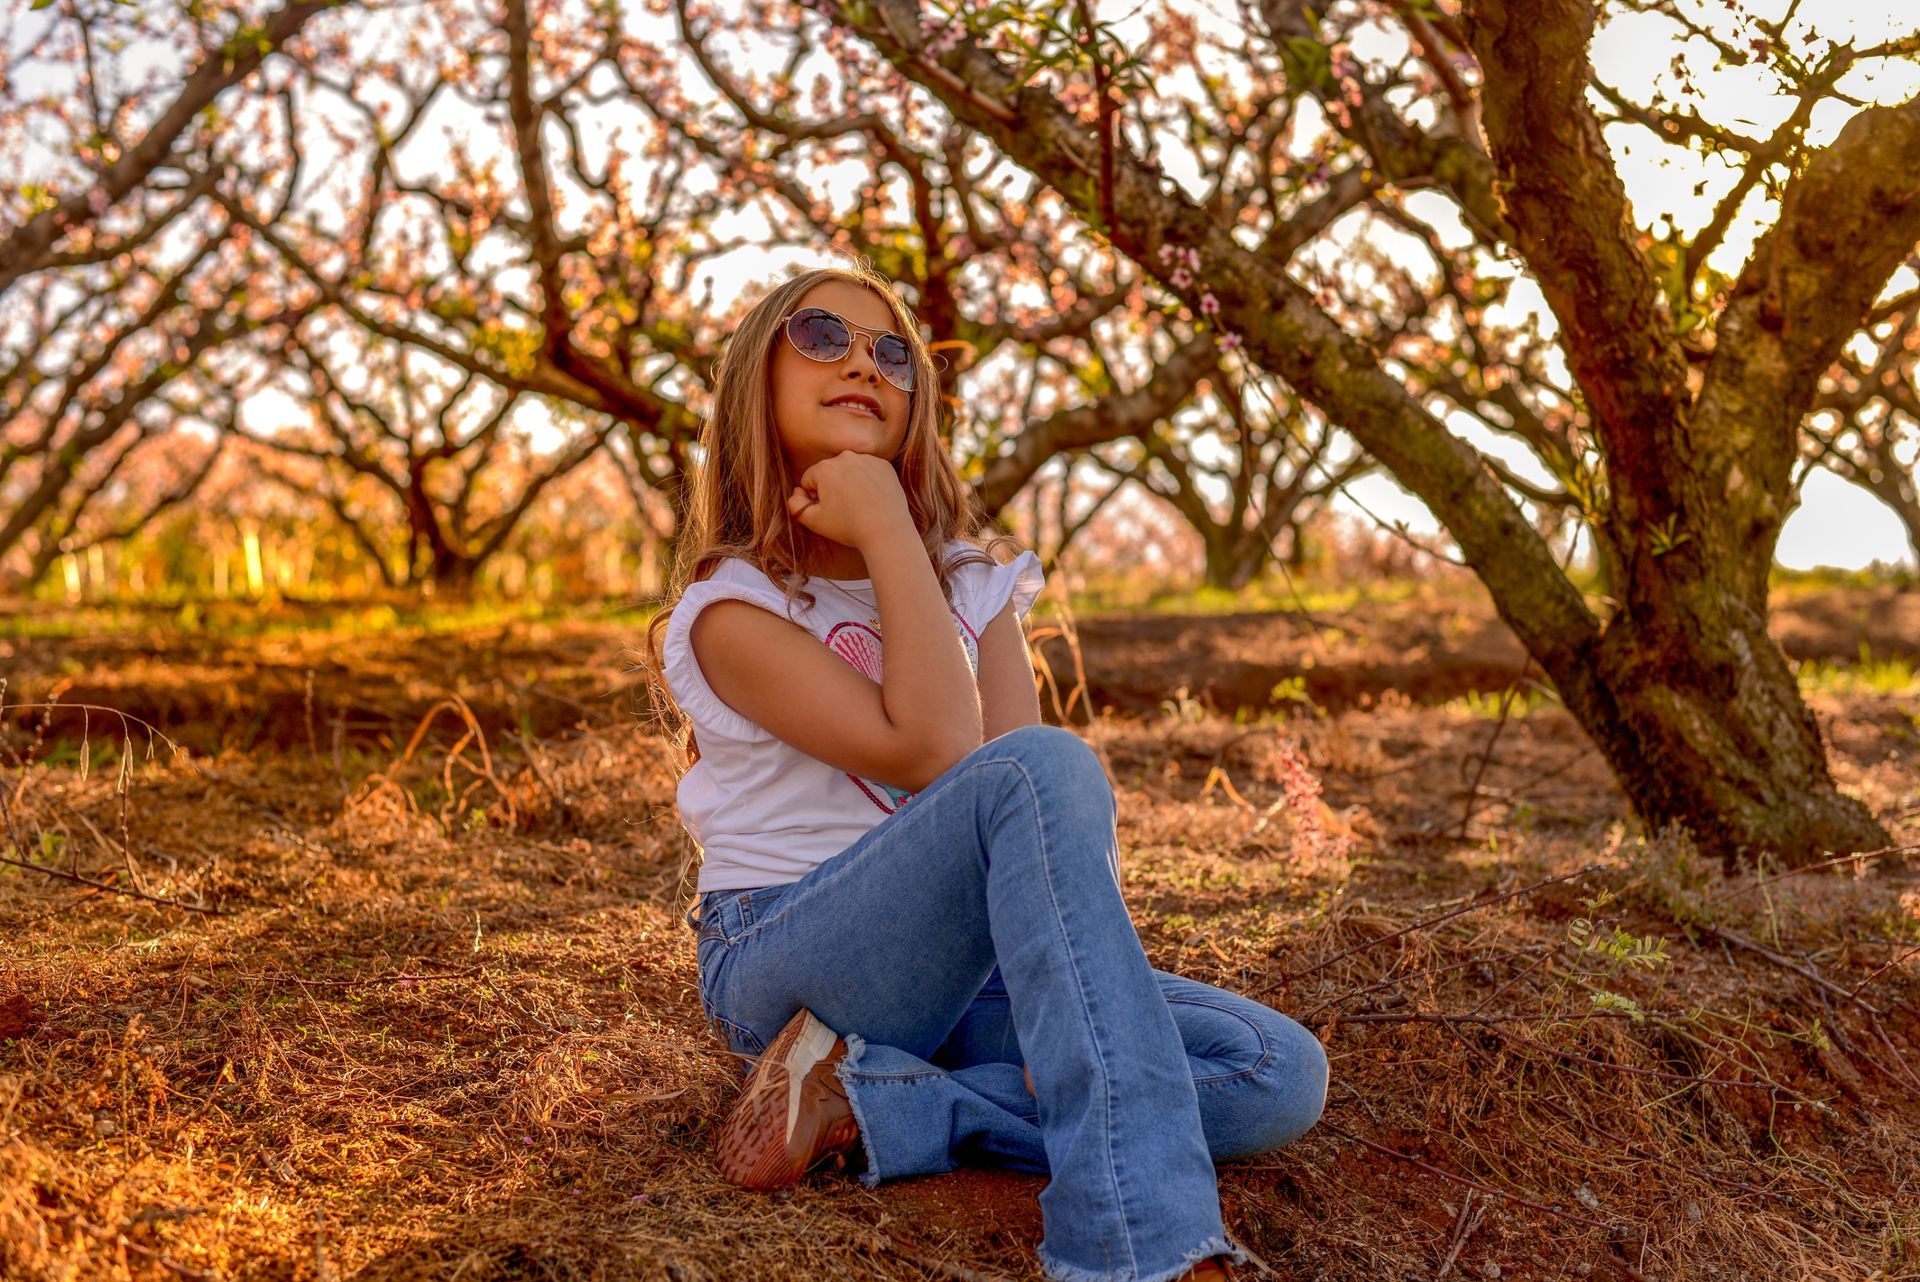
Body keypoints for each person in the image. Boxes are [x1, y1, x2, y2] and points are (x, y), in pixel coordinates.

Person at [643, 263, 1328, 1282]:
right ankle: (1135, 1245)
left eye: (893, 355)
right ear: (756, 376)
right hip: (790, 961)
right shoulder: (733, 608)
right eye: (824, 335)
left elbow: (1035, 825)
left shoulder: (973, 584)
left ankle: (881, 1099)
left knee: (1275, 1072)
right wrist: (878, 527)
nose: (864, 364)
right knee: (1041, 765)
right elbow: (939, 755)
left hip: (969, 972)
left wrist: (903, 549)